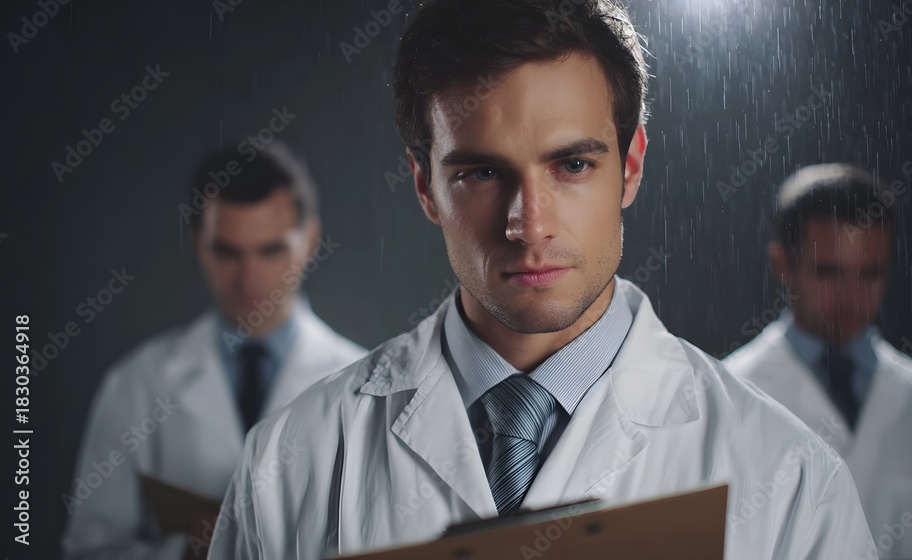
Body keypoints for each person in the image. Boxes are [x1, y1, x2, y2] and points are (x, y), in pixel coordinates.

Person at [207, 2, 877, 558]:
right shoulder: (290, 466)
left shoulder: (790, 480)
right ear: (424, 186)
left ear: (631, 166)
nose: (529, 225)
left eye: (572, 166)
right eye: (482, 174)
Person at [61, 142, 367, 560]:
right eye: (227, 252)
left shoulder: (364, 385)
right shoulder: (136, 383)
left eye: (271, 250)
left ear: (311, 240)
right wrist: (185, 551)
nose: (250, 279)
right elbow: (87, 552)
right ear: (197, 242)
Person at [724, 163, 912, 558]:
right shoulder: (728, 401)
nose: (852, 298)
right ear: (783, 265)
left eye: (870, 274)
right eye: (830, 274)